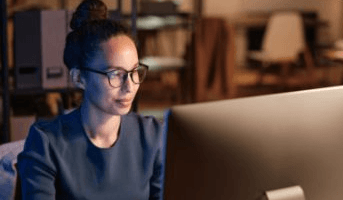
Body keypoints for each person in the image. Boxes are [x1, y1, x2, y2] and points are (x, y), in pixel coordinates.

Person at [17, 0, 164, 199]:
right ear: (79, 78)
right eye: (115, 74)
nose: (130, 86)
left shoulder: (152, 135)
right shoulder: (46, 142)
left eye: (135, 71)